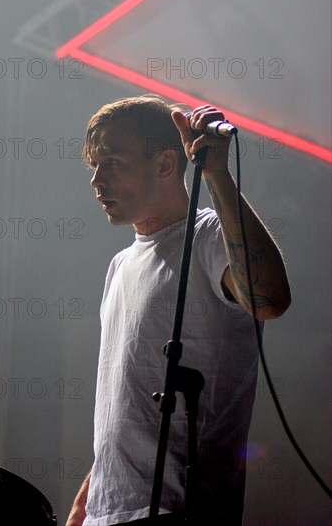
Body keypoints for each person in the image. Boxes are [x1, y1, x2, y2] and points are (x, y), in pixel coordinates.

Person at [65, 95, 291, 526]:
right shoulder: (120, 265)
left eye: (112, 162)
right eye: (95, 165)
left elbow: (270, 299)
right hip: (107, 511)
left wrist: (218, 175)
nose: (97, 180)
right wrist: (90, 494)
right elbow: (127, 402)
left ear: (166, 164)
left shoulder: (208, 235)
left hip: (178, 509)